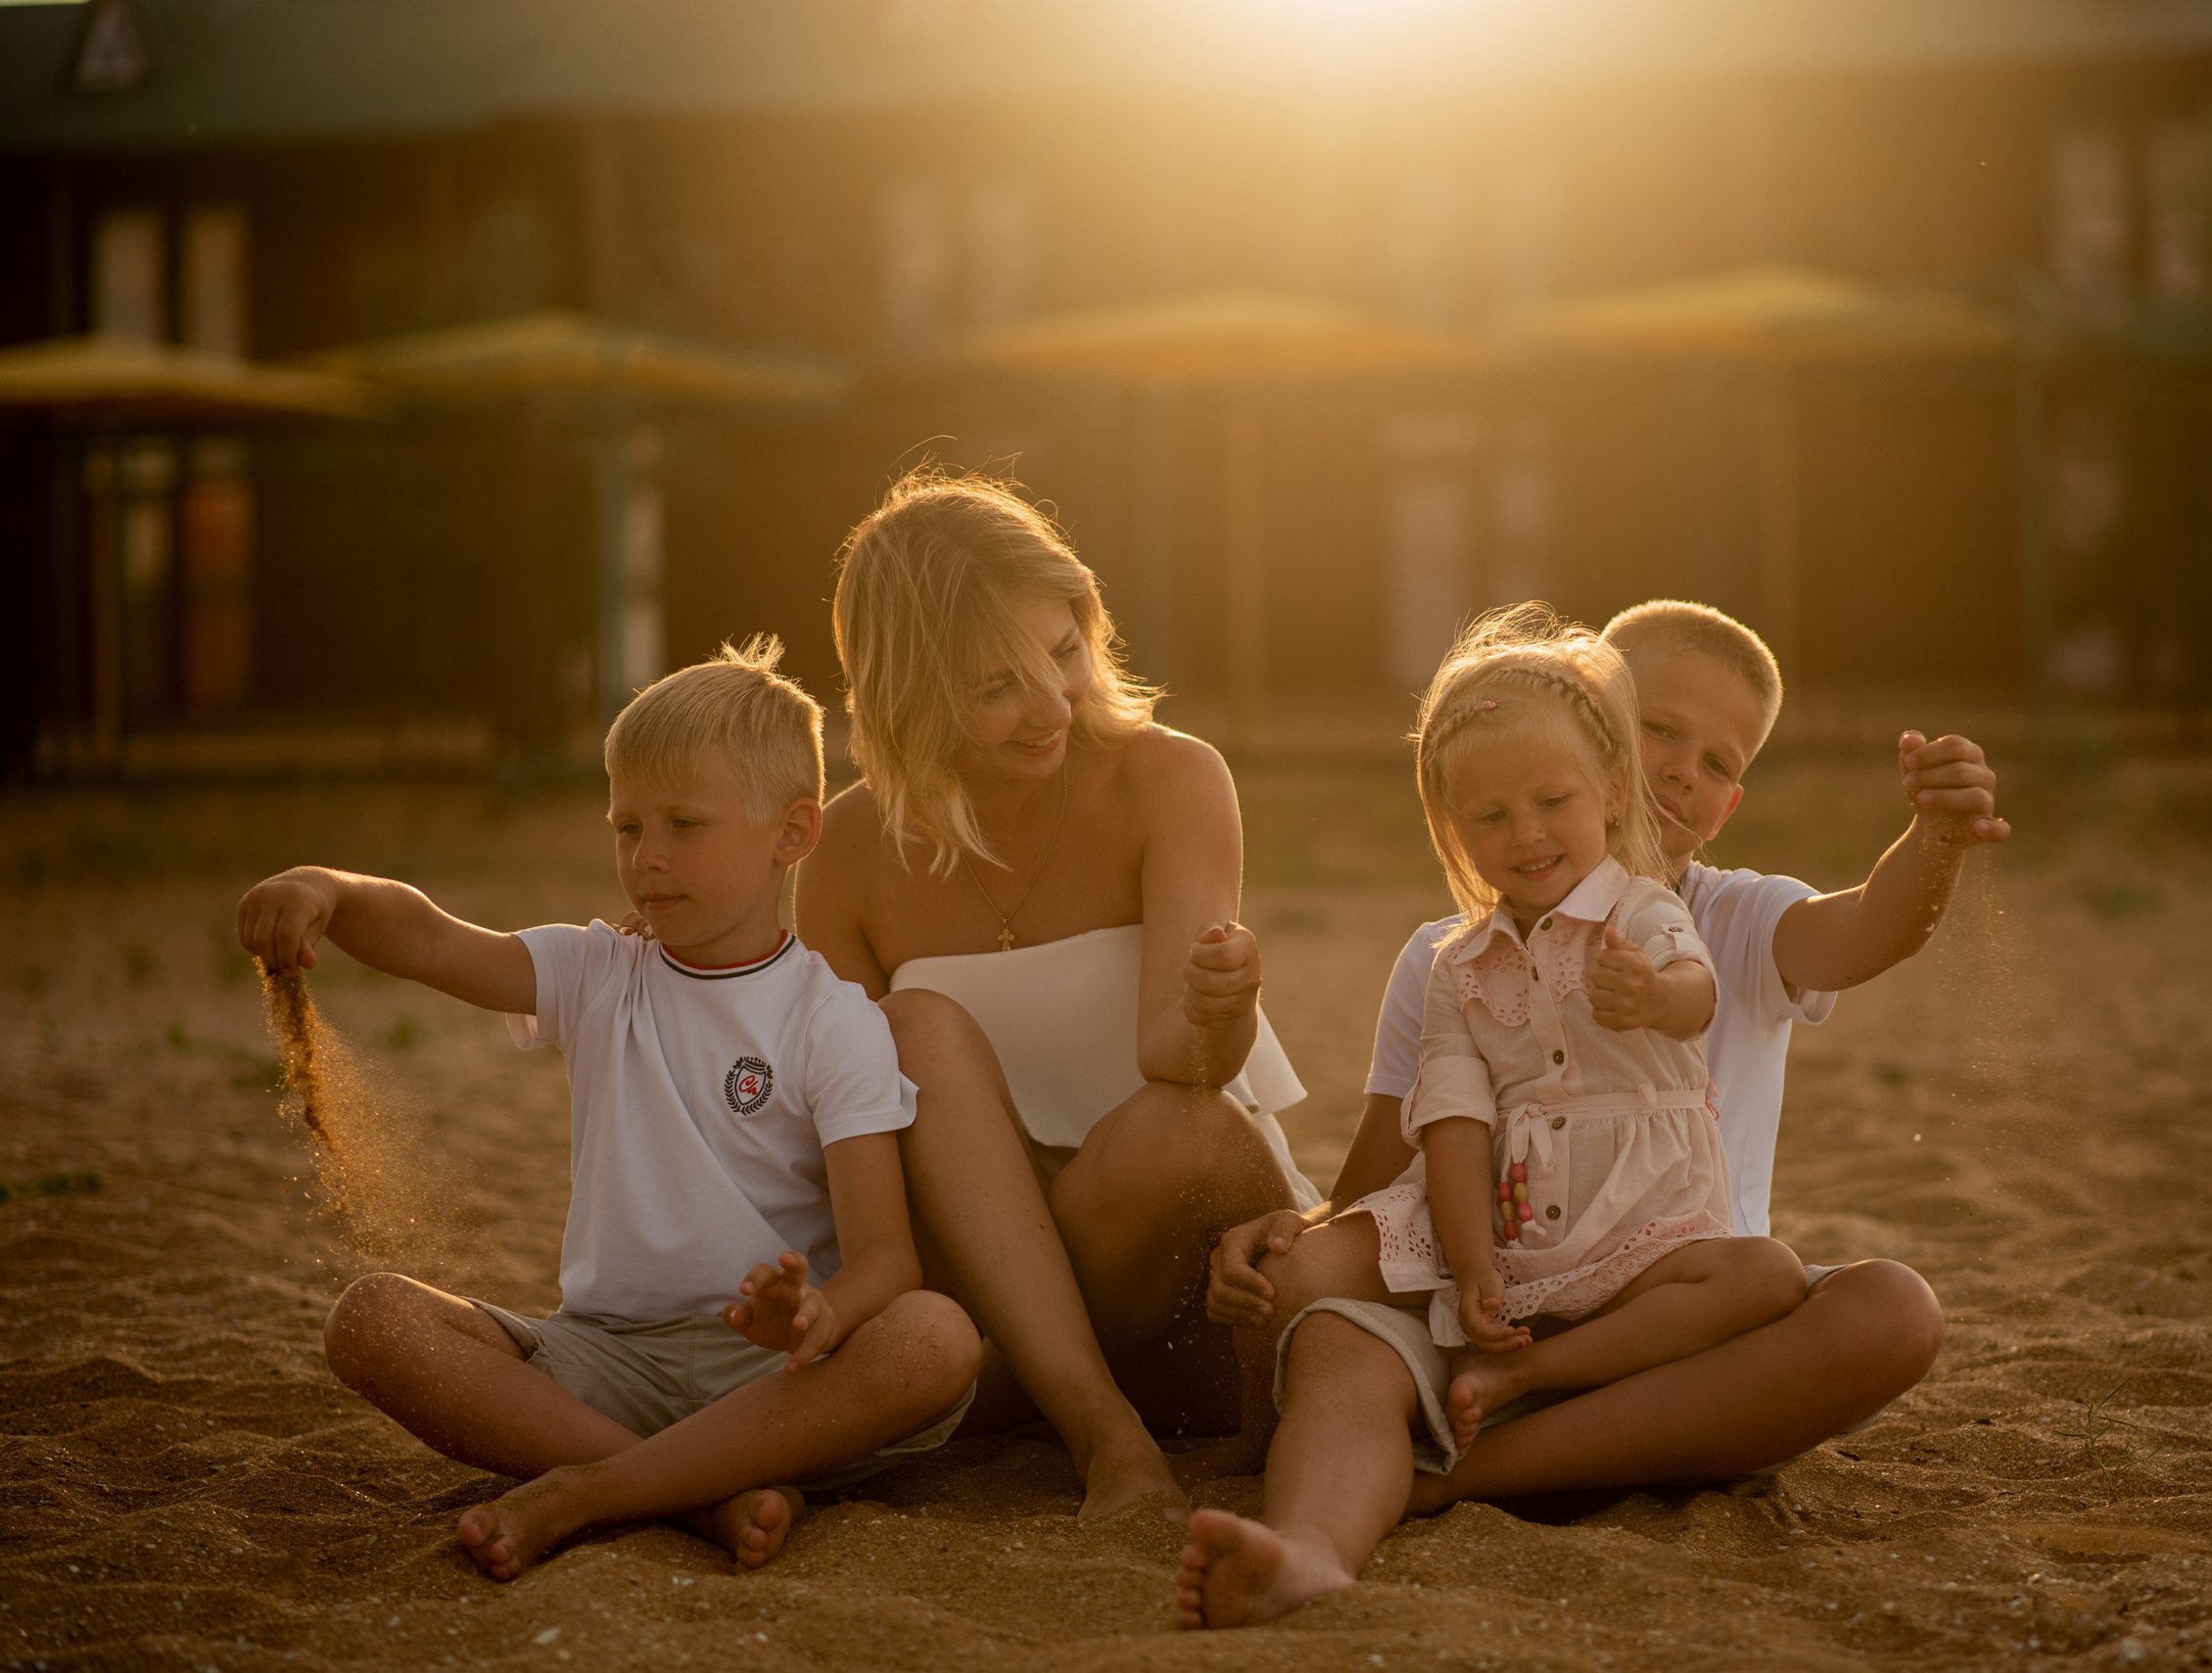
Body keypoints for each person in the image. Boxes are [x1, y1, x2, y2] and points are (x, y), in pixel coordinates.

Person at [1185, 600, 2005, 1625]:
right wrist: (1301, 1233)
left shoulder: (1731, 916)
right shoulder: (1449, 956)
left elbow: (1872, 926)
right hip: (1496, 1297)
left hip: (1677, 1325)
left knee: (1890, 1310)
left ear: (1727, 802)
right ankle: (1309, 1546)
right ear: (1589, 724)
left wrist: (1935, 836)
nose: (1680, 772)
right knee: (1333, 1337)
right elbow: (1390, 1168)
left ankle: (1456, 1475)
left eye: (1716, 761)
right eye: (1658, 728)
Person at [236, 639, 980, 1580]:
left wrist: (820, 1312)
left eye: (684, 824)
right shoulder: (597, 971)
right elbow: (432, 939)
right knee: (371, 1320)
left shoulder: (834, 1020)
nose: (647, 857)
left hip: (777, 1388)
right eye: (627, 826)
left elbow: (887, 1257)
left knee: (935, 1337)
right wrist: (329, 890)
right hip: (608, 1364)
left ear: (792, 833)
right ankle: (696, 1494)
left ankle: (589, 1491)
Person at [794, 468, 1318, 1519]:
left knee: (1178, 1126)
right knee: (911, 1031)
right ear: (904, 693)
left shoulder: (1171, 779)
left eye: (1064, 649)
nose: (1051, 704)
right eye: (995, 685)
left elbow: (1184, 1065)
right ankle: (1094, 1421)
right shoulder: (844, 849)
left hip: (1188, 1275)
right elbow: (841, 1137)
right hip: (974, 1277)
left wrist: (1220, 1009)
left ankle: (1020, 1392)